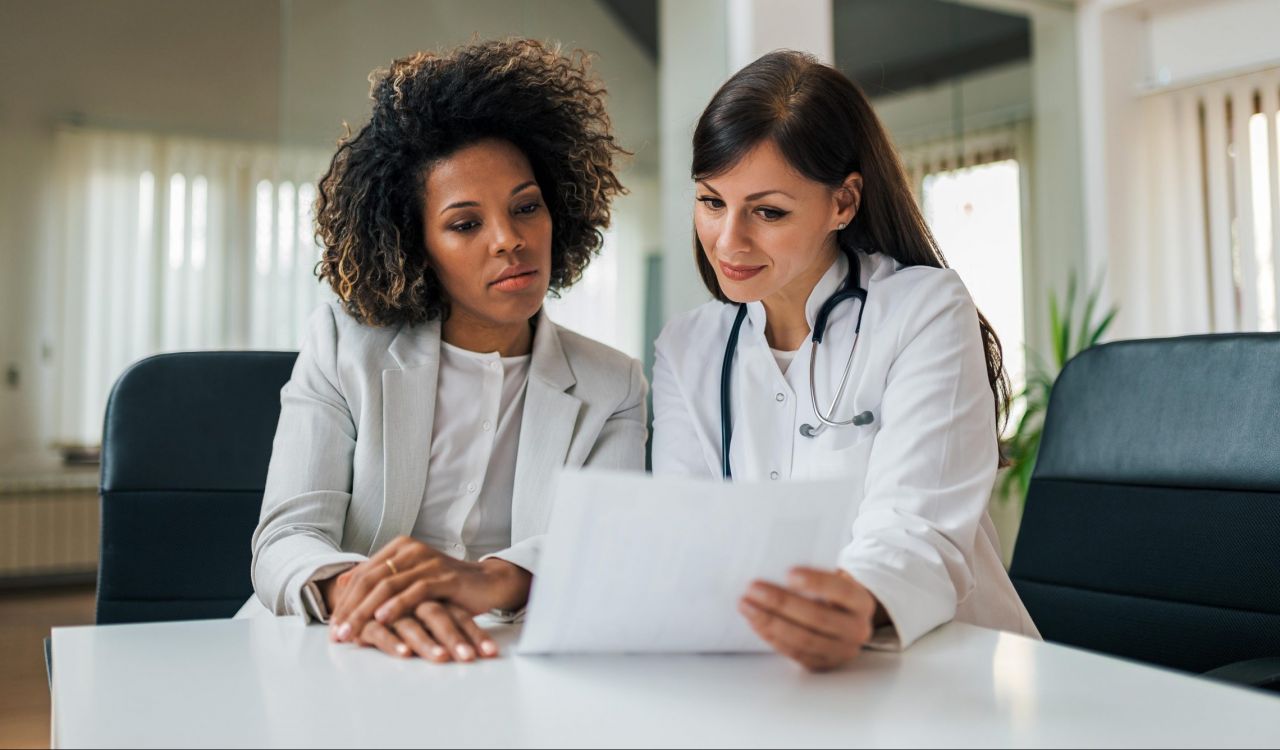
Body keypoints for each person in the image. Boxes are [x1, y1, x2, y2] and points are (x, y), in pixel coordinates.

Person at [240, 38, 647, 664]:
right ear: (415, 245)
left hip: (506, 656)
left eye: (526, 208)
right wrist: (366, 594)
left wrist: (491, 580)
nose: (509, 240)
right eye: (465, 224)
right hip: (342, 650)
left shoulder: (612, 384)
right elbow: (286, 539)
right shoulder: (344, 349)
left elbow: (609, 550)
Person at [651, 50, 1039, 672]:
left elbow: (918, 529)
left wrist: (856, 602)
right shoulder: (686, 349)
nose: (729, 240)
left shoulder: (924, 310)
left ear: (843, 202)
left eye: (768, 211)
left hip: (948, 669)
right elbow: (687, 534)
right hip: (769, 672)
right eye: (711, 201)